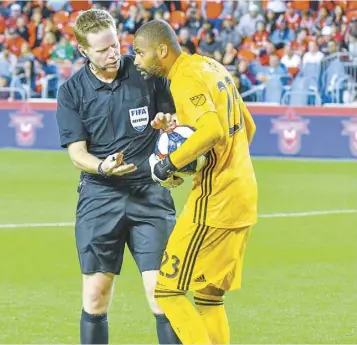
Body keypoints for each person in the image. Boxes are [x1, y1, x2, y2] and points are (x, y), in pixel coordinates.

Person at [55, 9, 181, 345]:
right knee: (96, 295)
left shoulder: (147, 74)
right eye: (102, 49)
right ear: (84, 51)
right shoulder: (71, 91)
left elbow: (174, 118)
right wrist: (102, 166)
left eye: (115, 44)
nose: (113, 53)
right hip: (101, 196)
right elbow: (77, 154)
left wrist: (168, 124)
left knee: (162, 294)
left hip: (149, 193)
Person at [133, 19, 258, 344]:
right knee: (208, 295)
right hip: (244, 194)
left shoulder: (184, 79)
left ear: (162, 50)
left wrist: (169, 164)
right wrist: (189, 140)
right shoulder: (211, 67)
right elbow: (248, 126)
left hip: (215, 202)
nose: (136, 61)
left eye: (139, 53)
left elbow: (212, 131)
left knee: (167, 291)